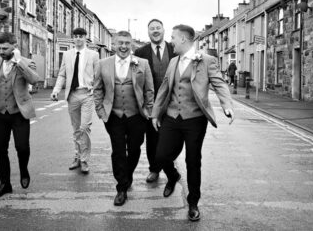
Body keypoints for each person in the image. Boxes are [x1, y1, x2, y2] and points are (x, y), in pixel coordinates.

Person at [151, 25, 234, 221]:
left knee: (193, 161)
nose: (170, 41)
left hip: (195, 120)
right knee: (161, 156)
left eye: (173, 38)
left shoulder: (206, 61)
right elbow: (164, 89)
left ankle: (193, 202)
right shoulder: (173, 62)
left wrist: (227, 105)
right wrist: (155, 114)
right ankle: (172, 176)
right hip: (171, 117)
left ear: (183, 40)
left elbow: (219, 83)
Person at [0, 32, 40, 200]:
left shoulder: (26, 63)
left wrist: (18, 62)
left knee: (22, 147)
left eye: (5, 48)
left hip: (19, 113)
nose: (1, 51)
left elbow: (34, 80)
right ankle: (5, 184)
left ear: (14, 47)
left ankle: (23, 170)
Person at [94, 31, 154, 206]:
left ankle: (128, 175)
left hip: (137, 116)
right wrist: (100, 110)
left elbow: (149, 90)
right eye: (120, 43)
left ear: (131, 45)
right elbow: (97, 88)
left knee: (134, 150)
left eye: (127, 43)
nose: (123, 46)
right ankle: (121, 188)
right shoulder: (103, 64)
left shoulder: (142, 63)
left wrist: (148, 110)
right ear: (113, 44)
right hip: (114, 116)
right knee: (118, 151)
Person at [50, 28, 99, 174]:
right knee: (76, 129)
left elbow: (98, 75)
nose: (78, 39)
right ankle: (77, 157)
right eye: (76, 36)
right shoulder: (67, 54)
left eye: (81, 36)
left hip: (87, 95)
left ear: (85, 38)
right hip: (72, 95)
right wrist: (56, 90)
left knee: (84, 128)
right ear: (73, 38)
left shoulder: (93, 55)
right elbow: (62, 74)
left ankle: (84, 160)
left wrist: (95, 89)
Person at [134, 19, 176, 183]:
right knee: (152, 138)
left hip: (172, 102)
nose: (155, 31)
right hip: (150, 103)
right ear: (148, 32)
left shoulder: (174, 49)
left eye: (158, 28)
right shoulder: (140, 52)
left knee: (172, 138)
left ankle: (169, 167)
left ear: (164, 30)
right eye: (152, 29)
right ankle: (154, 169)